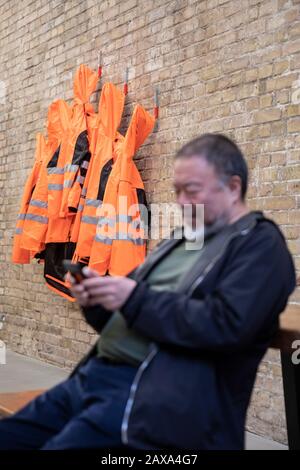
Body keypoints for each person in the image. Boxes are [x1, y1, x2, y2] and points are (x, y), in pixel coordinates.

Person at [0, 134, 296, 450]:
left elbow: (226, 325)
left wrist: (133, 298)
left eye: (192, 191)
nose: (182, 202)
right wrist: (97, 299)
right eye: (177, 191)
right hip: (92, 378)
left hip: (151, 398)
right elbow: (127, 313)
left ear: (234, 187)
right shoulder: (182, 239)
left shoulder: (261, 245)